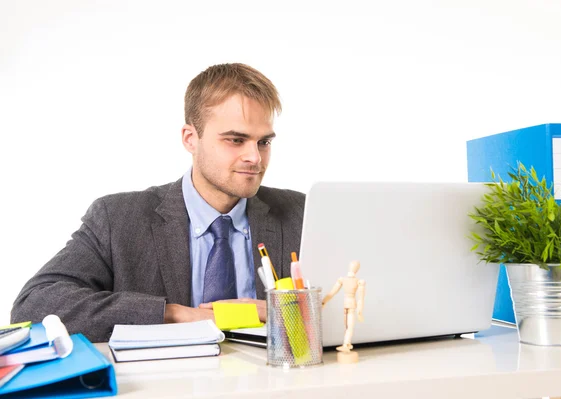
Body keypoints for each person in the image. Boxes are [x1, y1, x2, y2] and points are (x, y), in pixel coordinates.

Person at [10, 63, 305, 342]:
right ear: (190, 139)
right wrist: (173, 314)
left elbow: (343, 305)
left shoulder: (302, 214)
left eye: (264, 142)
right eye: (236, 140)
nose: (255, 157)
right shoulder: (117, 219)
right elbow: (34, 304)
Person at [321, 261, 366, 354]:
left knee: (349, 326)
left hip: (350, 305)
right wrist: (324, 301)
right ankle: (347, 344)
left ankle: (346, 344)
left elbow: (332, 293)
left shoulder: (356, 281)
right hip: (348, 305)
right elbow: (332, 292)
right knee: (347, 326)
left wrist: (359, 311)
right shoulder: (348, 280)